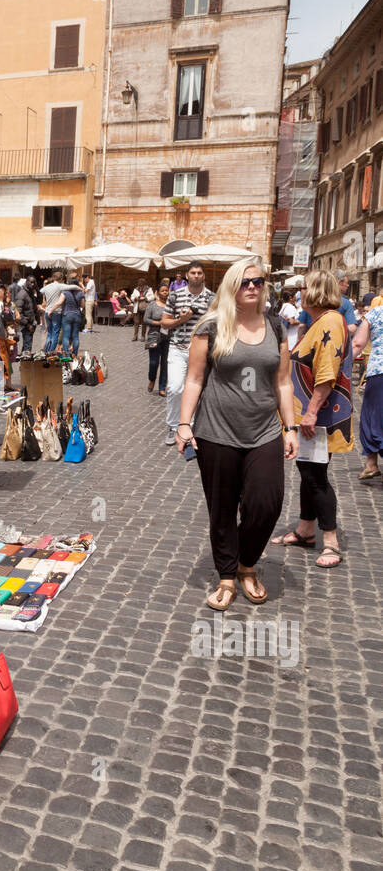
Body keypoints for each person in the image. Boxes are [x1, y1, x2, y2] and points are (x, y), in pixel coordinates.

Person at [176, 258, 297, 610]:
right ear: (233, 285)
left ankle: (247, 563)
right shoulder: (211, 327)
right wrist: (184, 423)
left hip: (264, 431)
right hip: (216, 431)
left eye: (258, 282)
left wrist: (290, 427)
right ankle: (229, 575)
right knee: (223, 508)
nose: (252, 288)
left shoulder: (275, 328)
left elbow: (284, 382)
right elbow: (195, 379)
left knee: (266, 503)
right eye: (245, 282)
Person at [272, 269, 354, 569]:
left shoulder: (330, 321)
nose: (299, 293)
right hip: (310, 416)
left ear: (316, 291)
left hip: (317, 418)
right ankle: (306, 530)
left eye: (303, 288)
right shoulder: (320, 322)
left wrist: (309, 413)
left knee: (316, 477)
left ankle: (329, 539)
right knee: (308, 472)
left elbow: (326, 373)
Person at [160, 260, 215, 445]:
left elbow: (219, 323)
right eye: (193, 273)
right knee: (175, 388)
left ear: (204, 276)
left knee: (200, 390)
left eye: (200, 273)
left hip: (202, 351)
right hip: (178, 347)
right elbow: (164, 322)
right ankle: (173, 425)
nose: (197, 276)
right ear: (187, 275)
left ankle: (190, 425)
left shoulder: (212, 298)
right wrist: (181, 319)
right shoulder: (175, 296)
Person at [352, 300, 383, 481]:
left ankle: (371, 464)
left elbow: (358, 343)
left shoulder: (376, 313)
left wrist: (342, 366)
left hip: (379, 371)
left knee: (373, 415)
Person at [298, 268, 356, 338]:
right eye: (347, 283)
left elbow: (302, 326)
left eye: (302, 288)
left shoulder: (312, 307)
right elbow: (351, 328)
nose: (348, 285)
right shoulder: (346, 303)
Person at [144, 279, 171, 395]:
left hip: (168, 337)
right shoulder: (152, 305)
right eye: (163, 291)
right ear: (158, 293)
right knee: (154, 362)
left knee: (165, 363)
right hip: (154, 335)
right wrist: (159, 323)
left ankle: (162, 387)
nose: (165, 292)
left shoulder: (171, 305)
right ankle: (152, 379)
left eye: (167, 290)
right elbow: (146, 319)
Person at [40, 274, 69, 353]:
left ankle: (46, 350)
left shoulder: (47, 287)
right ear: (61, 279)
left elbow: (41, 291)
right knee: (55, 333)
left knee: (49, 333)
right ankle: (51, 352)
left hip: (47, 311)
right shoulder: (60, 286)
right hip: (56, 312)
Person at [13, 277, 38, 354]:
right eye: (31, 282)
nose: (32, 284)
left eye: (34, 282)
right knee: (27, 348)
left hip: (31, 323)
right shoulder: (22, 294)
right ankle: (24, 364)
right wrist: (27, 325)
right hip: (26, 325)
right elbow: (18, 313)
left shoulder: (30, 293)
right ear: (26, 282)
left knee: (27, 346)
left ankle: (24, 365)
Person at [60, 277, 84, 357]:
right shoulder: (80, 293)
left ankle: (67, 355)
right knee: (75, 336)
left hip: (66, 315)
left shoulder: (65, 292)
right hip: (77, 315)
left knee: (66, 336)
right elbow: (82, 305)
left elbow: (60, 302)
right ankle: (74, 354)